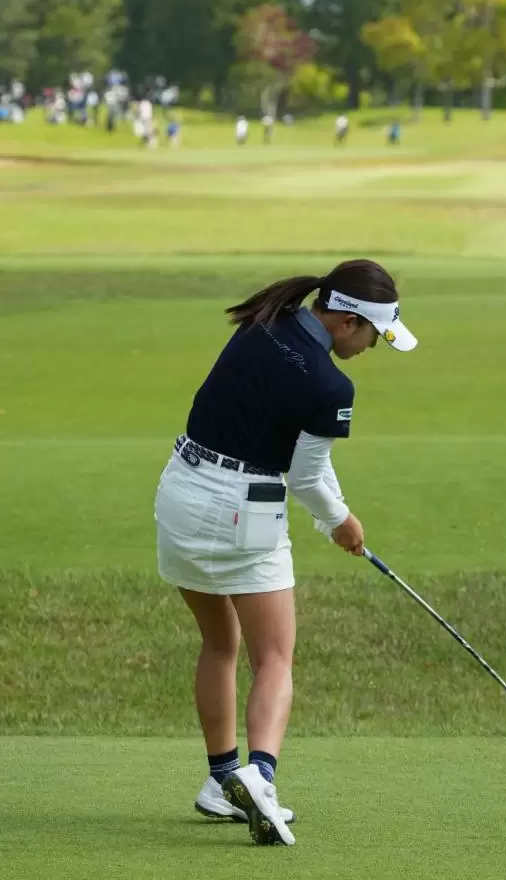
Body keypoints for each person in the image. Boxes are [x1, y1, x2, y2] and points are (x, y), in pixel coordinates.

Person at [154, 260, 417, 847]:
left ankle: (221, 779)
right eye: (374, 336)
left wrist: (333, 515)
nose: (371, 348)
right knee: (274, 657)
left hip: (181, 491)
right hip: (244, 511)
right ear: (348, 322)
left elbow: (300, 460)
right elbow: (306, 478)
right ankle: (261, 777)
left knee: (219, 643)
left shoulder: (263, 322)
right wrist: (341, 523)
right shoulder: (331, 386)